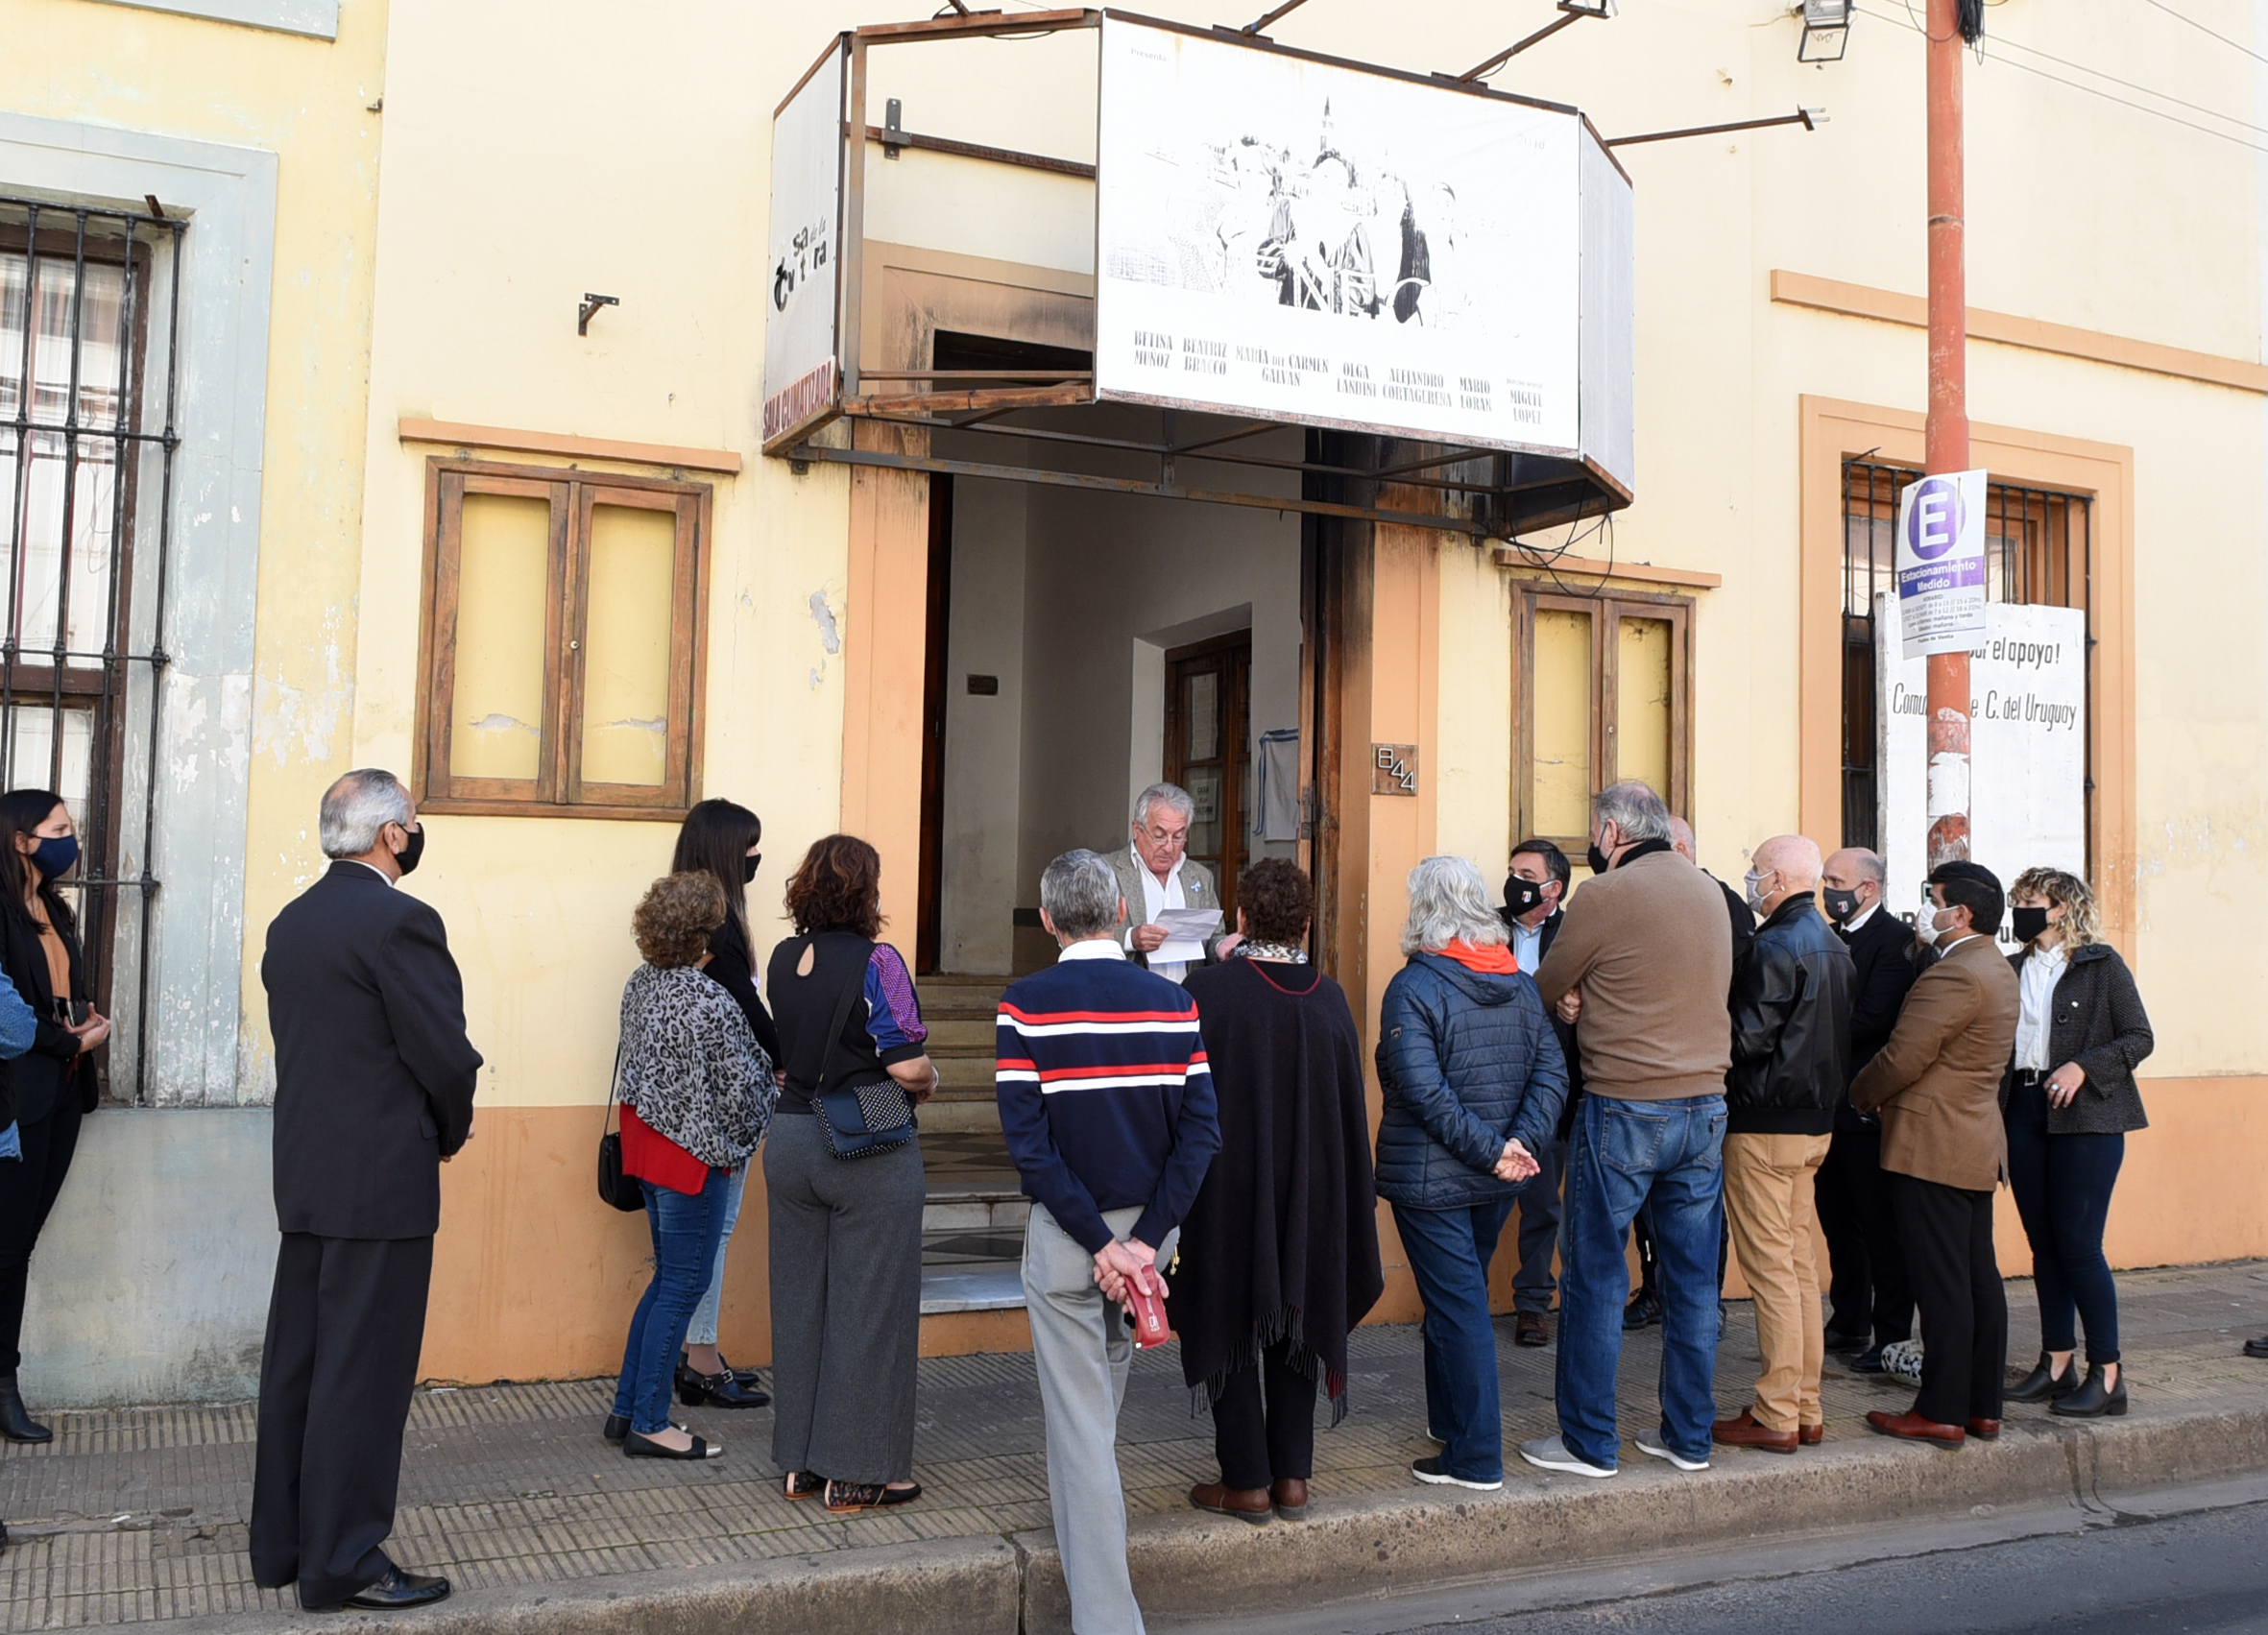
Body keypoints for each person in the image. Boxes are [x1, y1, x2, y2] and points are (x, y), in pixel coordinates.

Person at [251, 770, 479, 1613]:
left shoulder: (293, 921)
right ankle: (345, 1559)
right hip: (381, 1182)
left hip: (309, 1175)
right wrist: (449, 1129)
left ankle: (288, 1542)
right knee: (363, 1376)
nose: (415, 833)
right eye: (411, 821)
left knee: (303, 1369)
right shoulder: (400, 920)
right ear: (390, 834)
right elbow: (444, 1055)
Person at [996, 849, 1218, 1635]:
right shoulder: (1170, 1003)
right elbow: (1201, 1135)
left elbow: (1030, 1145)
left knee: (1083, 1424)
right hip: (1148, 1241)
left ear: (1049, 919)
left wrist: (1099, 1241)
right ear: (1122, 912)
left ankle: (1107, 1619)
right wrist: (1144, 1241)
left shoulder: (1024, 1004)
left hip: (1070, 1237)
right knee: (1094, 1413)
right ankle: (1086, 1538)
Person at [1526, 781, 1733, 1480]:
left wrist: (1582, 995)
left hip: (1625, 1104)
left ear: (1612, 832)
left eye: (1594, 831)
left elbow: (1549, 982)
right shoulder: (1708, 889)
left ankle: (1588, 1441)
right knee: (1693, 1280)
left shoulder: (1604, 896)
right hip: (1705, 1106)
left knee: (1595, 1275)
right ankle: (1689, 1436)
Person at [1173, 859, 1383, 1524]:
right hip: (1314, 1190)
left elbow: (1173, 1096)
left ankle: (1246, 1481)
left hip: (1224, 1186)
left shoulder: (1206, 993)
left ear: (1239, 918)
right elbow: (1351, 1110)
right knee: (1298, 1307)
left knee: (1229, 1311)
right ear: (1305, 924)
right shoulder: (1330, 997)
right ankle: (1292, 1475)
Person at [1376, 855, 1565, 1491]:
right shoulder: (1516, 979)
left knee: (1457, 1310)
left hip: (1435, 1182)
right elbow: (1553, 1075)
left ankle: (1475, 1455)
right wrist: (1514, 1146)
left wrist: (1495, 1150)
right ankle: (1449, 1422)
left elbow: (1424, 1094)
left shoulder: (1414, 986)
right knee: (1455, 1303)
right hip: (1494, 1179)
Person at [764, 834, 936, 1514]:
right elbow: (906, 1064)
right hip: (866, 1136)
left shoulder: (781, 957)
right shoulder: (879, 960)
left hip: (790, 1132)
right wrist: (932, 1079)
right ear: (866, 891)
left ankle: (801, 1461)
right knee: (872, 1306)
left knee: (801, 1302)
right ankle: (860, 1470)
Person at [605, 873, 775, 1462]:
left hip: (645, 1149)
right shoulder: (708, 1000)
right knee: (682, 1285)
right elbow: (741, 1094)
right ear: (705, 936)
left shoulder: (640, 984)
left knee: (665, 1282)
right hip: (691, 1160)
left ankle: (628, 1406)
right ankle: (650, 1422)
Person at [1849, 861, 2020, 1448]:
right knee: (1975, 1279)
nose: (1927, 909)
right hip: (1972, 1139)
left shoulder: (1955, 975)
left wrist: (1860, 1094)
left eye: (1934, 899)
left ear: (1961, 914)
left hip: (1933, 1143)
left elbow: (1903, 1056)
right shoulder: (1994, 967)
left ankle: (1942, 1410)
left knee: (1942, 1282)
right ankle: (1980, 1406)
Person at [1711, 836, 1851, 1455]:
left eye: (1753, 871)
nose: (1749, 881)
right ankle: (1804, 1406)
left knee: (1772, 1273)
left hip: (1764, 1124)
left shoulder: (1773, 945)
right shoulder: (1834, 943)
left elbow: (1746, 1042)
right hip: (1814, 1125)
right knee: (1798, 1269)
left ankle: (1775, 1413)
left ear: (1774, 876)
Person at [2000, 868, 2153, 1418]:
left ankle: (2108, 1373)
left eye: (2031, 900)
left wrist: (2083, 1067)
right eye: (2018, 899)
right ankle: (2057, 1363)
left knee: (2079, 1244)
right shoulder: (2012, 967)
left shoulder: (2100, 965)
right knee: (2044, 1244)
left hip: (2087, 1117)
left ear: (2061, 908)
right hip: (2022, 1107)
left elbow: (2139, 1036)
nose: (2021, 908)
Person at [0, 790, 109, 1444]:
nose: (72, 839)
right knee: (7, 1249)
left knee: (19, 1246)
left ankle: (4, 1384)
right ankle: (4, 1389)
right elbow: (8, 1020)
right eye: (60, 829)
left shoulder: (54, 906)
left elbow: (58, 990)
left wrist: (83, 1020)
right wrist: (71, 1040)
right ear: (21, 839)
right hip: (18, 1098)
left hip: (63, 1094)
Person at [666, 799, 781, 1411]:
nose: (756, 858)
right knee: (715, 1229)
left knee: (699, 1234)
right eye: (749, 848)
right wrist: (785, 1054)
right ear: (726, 852)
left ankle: (696, 1354)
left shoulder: (681, 915)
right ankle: (701, 1358)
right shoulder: (720, 927)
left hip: (682, 1103)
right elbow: (745, 1008)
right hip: (720, 1107)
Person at [1620, 815, 1746, 1334]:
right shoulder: (1637, 897)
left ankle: (1703, 1303)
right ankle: (1654, 1290)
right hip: (1652, 1079)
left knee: (1697, 1217)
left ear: (1677, 847)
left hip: (1702, 1083)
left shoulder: (1722, 901)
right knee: (1648, 1213)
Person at [1815, 847, 1919, 1374]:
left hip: (1866, 1106)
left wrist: (1807, 1029)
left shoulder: (1896, 943)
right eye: (1825, 879)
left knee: (1880, 1226)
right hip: (1823, 1104)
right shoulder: (1827, 935)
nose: (1827, 889)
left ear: (1868, 889)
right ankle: (1849, 1317)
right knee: (1836, 1221)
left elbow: (1875, 1017)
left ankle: (1892, 1333)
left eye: (1836, 880)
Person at [1499, 838, 1580, 1349]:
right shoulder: (1486, 929)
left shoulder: (1575, 933)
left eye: (1525, 873)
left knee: (1542, 1203)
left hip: (1551, 1090)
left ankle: (1532, 1304)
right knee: (1474, 1198)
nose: (1513, 882)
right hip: (1489, 1082)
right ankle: (1456, 1300)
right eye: (1510, 871)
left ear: (1552, 888)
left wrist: (1581, 1006)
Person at [1108, 782, 1241, 983]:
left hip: (1186, 1001)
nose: (1169, 847)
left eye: (1178, 837)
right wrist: (1130, 939)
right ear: (1137, 829)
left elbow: (1212, 937)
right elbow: (1080, 938)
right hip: (1131, 1000)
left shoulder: (1200, 877)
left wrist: (1222, 947)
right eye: (1159, 836)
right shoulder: (1105, 871)